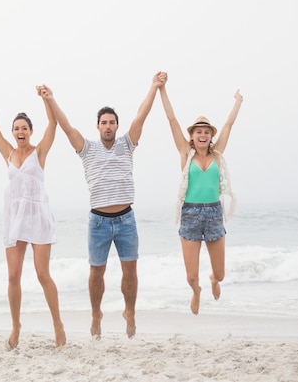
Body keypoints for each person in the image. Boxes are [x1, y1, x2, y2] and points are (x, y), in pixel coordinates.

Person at [40, 72, 165, 340]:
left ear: (117, 126)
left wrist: (154, 86)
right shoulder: (87, 149)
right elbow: (66, 126)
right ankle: (96, 314)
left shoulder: (127, 144)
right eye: (103, 122)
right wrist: (51, 99)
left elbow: (141, 116)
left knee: (130, 270)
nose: (108, 126)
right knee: (97, 272)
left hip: (126, 219)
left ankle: (129, 311)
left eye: (111, 122)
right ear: (97, 126)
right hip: (98, 221)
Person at [0, 77, 65, 349]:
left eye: (24, 128)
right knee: (13, 276)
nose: (19, 131)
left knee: (42, 274)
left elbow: (53, 125)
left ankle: (58, 325)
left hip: (37, 217)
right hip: (14, 218)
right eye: (16, 128)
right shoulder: (8, 151)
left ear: (30, 130)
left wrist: (46, 99)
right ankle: (16, 326)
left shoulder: (40, 152)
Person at [158, 74, 242, 315]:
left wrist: (238, 101)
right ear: (192, 136)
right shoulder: (185, 154)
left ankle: (214, 281)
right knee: (191, 276)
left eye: (206, 131)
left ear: (210, 136)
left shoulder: (217, 156)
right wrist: (162, 89)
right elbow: (171, 119)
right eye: (198, 131)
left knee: (222, 274)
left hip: (214, 213)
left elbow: (228, 125)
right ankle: (197, 292)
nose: (203, 135)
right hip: (191, 213)